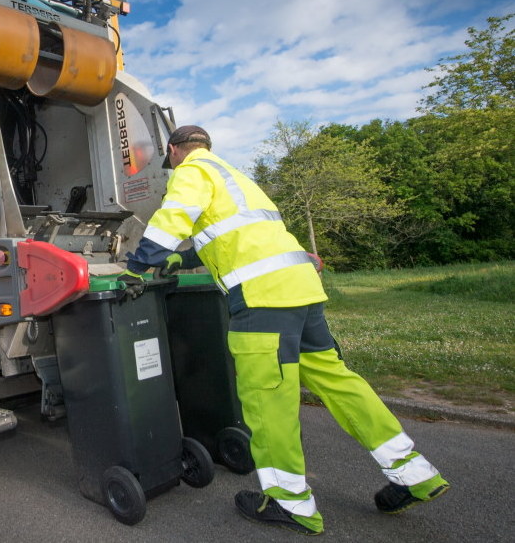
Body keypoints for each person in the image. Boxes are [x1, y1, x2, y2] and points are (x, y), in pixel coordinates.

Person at [119, 125, 450, 536]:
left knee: (267, 401)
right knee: (339, 383)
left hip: (263, 302)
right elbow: (231, 237)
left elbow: (174, 219)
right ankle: (414, 474)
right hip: (301, 292)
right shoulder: (236, 178)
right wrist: (178, 262)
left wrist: (137, 265)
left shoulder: (191, 170)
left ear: (173, 151)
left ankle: (289, 502)